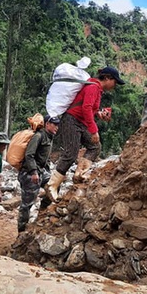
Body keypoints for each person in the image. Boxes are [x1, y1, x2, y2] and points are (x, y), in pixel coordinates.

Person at [47, 66, 125, 201]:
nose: (115, 85)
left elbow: (89, 107)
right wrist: (94, 130)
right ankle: (52, 185)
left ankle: (80, 173)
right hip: (71, 120)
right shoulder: (93, 87)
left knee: (95, 146)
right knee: (71, 153)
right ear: (107, 78)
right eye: (115, 81)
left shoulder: (97, 89)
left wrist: (99, 113)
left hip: (80, 123)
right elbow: (86, 108)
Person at [17, 115, 60, 232]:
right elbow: (29, 155)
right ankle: (21, 231)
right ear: (47, 124)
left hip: (41, 171)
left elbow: (44, 159)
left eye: (58, 125)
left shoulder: (49, 137)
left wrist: (48, 172)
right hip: (29, 173)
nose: (57, 127)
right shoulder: (38, 136)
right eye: (54, 124)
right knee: (27, 204)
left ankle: (42, 211)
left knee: (54, 185)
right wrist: (34, 172)